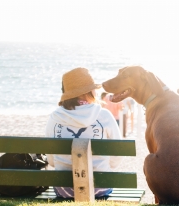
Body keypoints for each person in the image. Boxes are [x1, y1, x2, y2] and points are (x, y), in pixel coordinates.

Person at [45, 68, 122, 198]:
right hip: (100, 186)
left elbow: (51, 161)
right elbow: (117, 156)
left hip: (64, 189)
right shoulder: (104, 115)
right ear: (90, 91)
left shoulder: (55, 117)